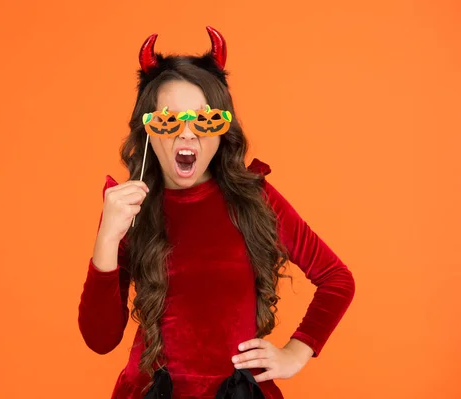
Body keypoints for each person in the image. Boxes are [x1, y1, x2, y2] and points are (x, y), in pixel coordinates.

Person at [78, 26, 355, 399]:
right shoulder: (128, 207)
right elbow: (99, 339)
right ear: (148, 132)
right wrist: (108, 237)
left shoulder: (256, 199)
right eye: (168, 120)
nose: (187, 134)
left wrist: (297, 350)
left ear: (223, 129)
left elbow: (336, 278)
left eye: (205, 120)